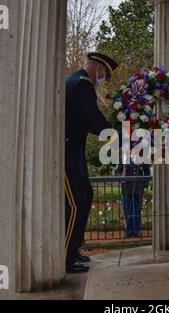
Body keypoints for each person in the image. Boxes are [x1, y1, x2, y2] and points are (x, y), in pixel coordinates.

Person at [65, 52, 118, 273]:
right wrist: (116, 134)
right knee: (75, 203)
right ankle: (65, 256)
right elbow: (94, 120)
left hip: (74, 151)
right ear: (98, 69)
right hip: (67, 152)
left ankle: (74, 247)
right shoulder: (82, 85)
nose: (102, 78)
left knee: (86, 195)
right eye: (104, 74)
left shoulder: (76, 81)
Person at [116, 152, 151, 238]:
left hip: (138, 189)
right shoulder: (123, 158)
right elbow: (117, 172)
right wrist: (123, 174)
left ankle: (137, 231)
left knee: (137, 210)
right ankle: (129, 231)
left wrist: (145, 185)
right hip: (127, 189)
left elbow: (147, 172)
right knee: (128, 210)